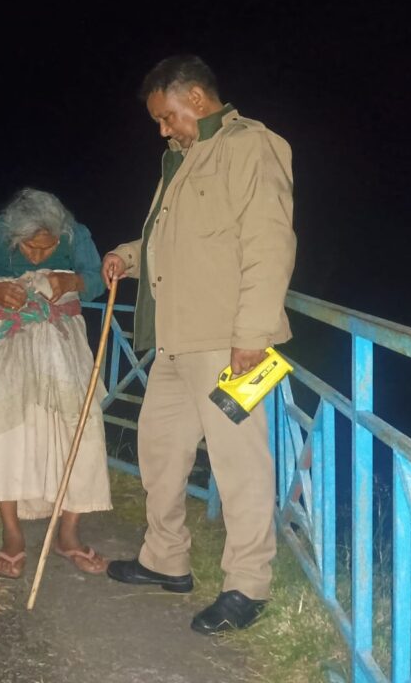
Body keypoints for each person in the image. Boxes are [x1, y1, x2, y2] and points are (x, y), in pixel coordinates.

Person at [101, 55, 296, 634]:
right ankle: (166, 560)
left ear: (195, 97)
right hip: (175, 340)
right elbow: (170, 241)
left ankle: (247, 586)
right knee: (159, 451)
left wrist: (252, 336)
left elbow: (270, 244)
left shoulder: (250, 146)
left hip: (229, 343)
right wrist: (127, 256)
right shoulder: (182, 160)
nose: (164, 129)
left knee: (240, 466)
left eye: (167, 117)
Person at [0, 188, 112, 579]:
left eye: (48, 247)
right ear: (14, 236)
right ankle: (12, 534)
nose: (39, 256)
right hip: (8, 339)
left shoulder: (77, 234)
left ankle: (69, 534)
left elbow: (98, 279)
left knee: (80, 426)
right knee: (5, 429)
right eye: (30, 247)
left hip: (64, 338)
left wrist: (73, 280)